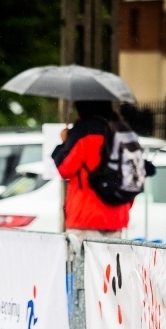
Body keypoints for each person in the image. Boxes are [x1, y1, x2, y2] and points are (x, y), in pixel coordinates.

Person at [51, 100, 132, 243]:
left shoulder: (83, 130)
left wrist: (64, 143)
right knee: (108, 264)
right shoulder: (122, 129)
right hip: (116, 215)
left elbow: (65, 168)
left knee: (82, 264)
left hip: (86, 215)